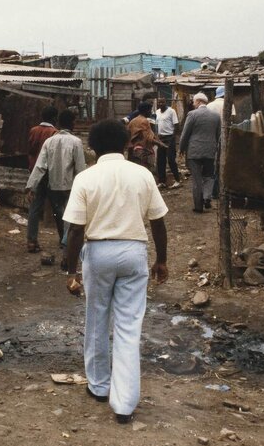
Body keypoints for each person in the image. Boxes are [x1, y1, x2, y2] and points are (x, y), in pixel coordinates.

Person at [63, 119, 169, 424]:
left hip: (98, 253)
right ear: (126, 144)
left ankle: (99, 386)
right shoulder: (143, 175)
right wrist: (161, 260)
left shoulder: (86, 178)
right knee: (128, 326)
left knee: (96, 319)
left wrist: (72, 272)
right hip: (134, 252)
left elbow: (75, 230)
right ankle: (124, 404)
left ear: (92, 147)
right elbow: (158, 222)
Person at [25, 109, 86, 264]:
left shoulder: (49, 141)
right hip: (69, 185)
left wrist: (31, 185)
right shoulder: (76, 142)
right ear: (72, 123)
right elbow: (80, 168)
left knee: (57, 214)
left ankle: (38, 242)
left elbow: (39, 166)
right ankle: (66, 253)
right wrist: (84, 188)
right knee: (68, 218)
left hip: (52, 184)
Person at [179, 92, 221, 213]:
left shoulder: (192, 114)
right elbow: (218, 136)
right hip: (210, 151)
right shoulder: (216, 116)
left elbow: (185, 134)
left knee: (197, 179)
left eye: (194, 102)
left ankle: (198, 206)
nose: (193, 104)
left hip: (194, 151)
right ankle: (207, 197)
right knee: (209, 176)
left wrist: (181, 149)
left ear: (198, 102)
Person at [25, 105, 59, 253]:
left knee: (34, 208)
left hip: (35, 173)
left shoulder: (34, 130)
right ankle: (64, 240)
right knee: (58, 207)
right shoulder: (54, 133)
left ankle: (31, 241)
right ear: (54, 118)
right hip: (50, 175)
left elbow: (31, 150)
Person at [154, 96, 182, 189]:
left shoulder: (171, 111)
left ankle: (178, 180)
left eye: (162, 102)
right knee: (160, 161)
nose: (160, 104)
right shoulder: (157, 112)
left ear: (165, 102)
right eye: (159, 102)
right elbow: (156, 125)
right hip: (161, 138)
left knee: (171, 160)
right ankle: (162, 181)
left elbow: (176, 126)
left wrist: (173, 138)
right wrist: (157, 137)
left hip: (169, 138)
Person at [126, 101, 161, 169]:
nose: (151, 112)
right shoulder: (144, 121)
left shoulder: (133, 121)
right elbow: (148, 138)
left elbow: (128, 135)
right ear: (146, 111)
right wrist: (160, 144)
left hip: (133, 151)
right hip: (143, 152)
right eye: (150, 110)